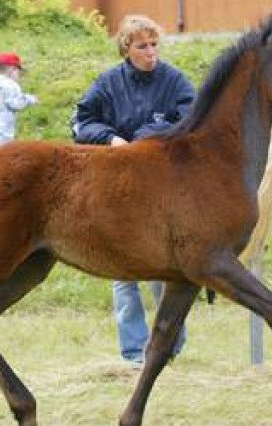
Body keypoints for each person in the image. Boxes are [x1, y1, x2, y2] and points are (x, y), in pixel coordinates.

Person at [72, 14, 195, 366]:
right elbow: (82, 121)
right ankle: (132, 354)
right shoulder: (107, 83)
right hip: (118, 191)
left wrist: (147, 138)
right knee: (122, 276)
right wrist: (112, 140)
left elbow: (191, 121)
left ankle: (169, 349)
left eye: (154, 44)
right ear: (127, 48)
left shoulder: (175, 81)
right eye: (142, 46)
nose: (151, 52)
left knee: (164, 271)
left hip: (163, 189)